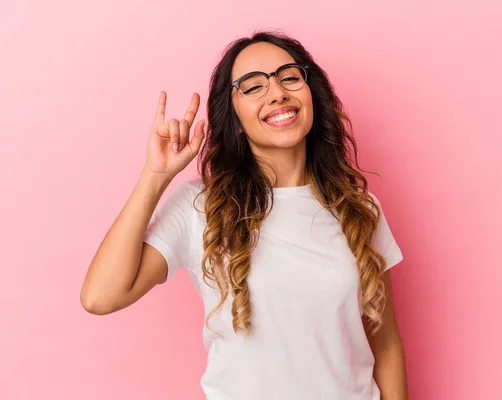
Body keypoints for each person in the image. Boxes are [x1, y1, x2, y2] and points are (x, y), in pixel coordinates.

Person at [80, 30, 408, 400]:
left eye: (289, 77)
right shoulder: (200, 207)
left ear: (311, 93)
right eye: (253, 86)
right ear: (234, 118)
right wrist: (155, 178)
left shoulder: (360, 209)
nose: (277, 92)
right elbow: (100, 297)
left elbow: (386, 344)